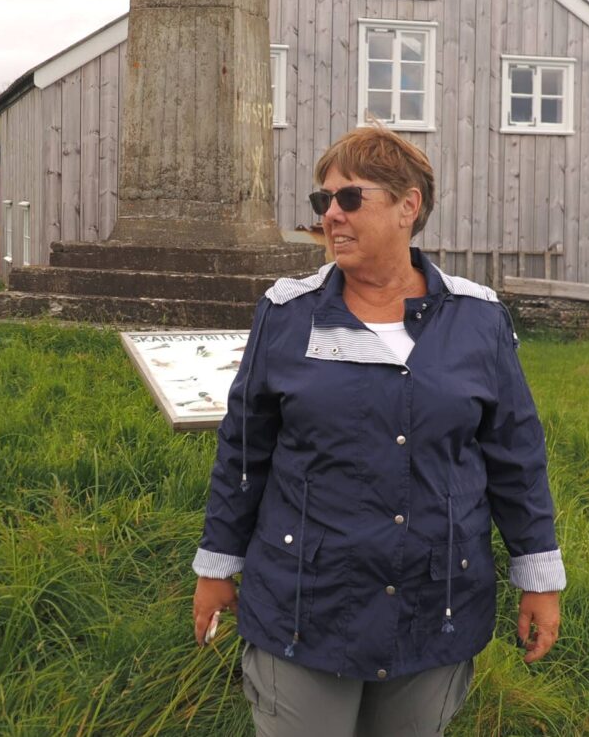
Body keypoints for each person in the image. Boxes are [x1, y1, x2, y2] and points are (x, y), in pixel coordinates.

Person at [190, 126, 565, 736]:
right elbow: (244, 450)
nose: (330, 216)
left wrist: (539, 578)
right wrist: (216, 566)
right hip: (304, 601)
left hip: (433, 602)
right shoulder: (287, 314)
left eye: (349, 199)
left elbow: (516, 459)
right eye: (322, 201)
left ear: (407, 206)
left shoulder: (478, 320)